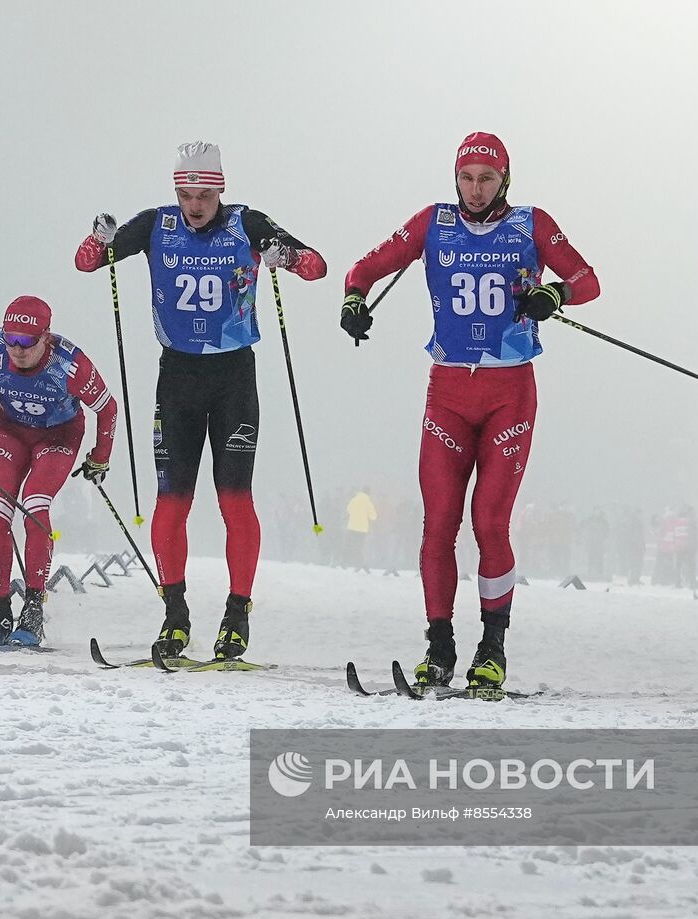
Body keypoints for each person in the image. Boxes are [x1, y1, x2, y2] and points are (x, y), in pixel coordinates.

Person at [340, 131, 600, 698]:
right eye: (466, 177)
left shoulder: (531, 224)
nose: (475, 188)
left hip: (509, 394)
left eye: (486, 178)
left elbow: (587, 281)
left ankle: (492, 647)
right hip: (449, 393)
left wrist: (552, 296)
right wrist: (355, 300)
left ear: (504, 178)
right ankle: (438, 646)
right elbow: (365, 266)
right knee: (438, 524)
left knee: (489, 522)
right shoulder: (434, 222)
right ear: (455, 178)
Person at [74, 141, 326, 661]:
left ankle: (237, 615)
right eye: (186, 193)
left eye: (204, 194)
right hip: (178, 378)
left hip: (234, 377)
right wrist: (97, 238)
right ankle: (175, 615)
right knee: (172, 502)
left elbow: (318, 266)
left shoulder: (246, 223)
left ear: (220, 189)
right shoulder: (156, 225)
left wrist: (288, 257)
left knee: (234, 498)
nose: (194, 205)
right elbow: (87, 263)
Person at [0, 296, 118, 646]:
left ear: (46, 336)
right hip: (9, 430)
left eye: (26, 341)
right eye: (10, 338)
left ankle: (33, 608)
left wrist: (99, 457)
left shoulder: (70, 364)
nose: (16, 349)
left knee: (34, 505)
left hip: (58, 434)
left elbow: (107, 408)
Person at [345, 487, 378, 572]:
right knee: (360, 547)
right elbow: (373, 517)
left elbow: (348, 510)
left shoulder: (354, 500)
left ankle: (359, 563)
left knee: (355, 547)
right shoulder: (368, 503)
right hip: (362, 529)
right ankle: (361, 564)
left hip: (352, 526)